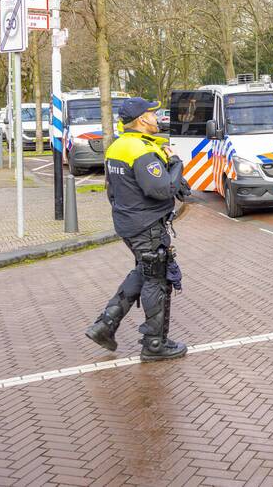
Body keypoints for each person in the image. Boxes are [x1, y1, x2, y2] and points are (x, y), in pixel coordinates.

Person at [85, 97, 192, 362]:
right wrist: (176, 163)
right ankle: (155, 344)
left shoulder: (118, 146)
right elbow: (162, 189)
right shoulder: (141, 151)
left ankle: (105, 324)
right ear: (143, 120)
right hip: (146, 225)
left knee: (145, 271)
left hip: (128, 222)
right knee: (157, 278)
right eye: (153, 114)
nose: (157, 118)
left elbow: (111, 190)